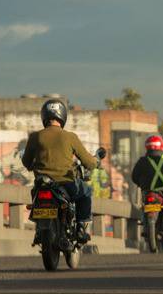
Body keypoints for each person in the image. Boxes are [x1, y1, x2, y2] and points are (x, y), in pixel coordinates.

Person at [22, 99, 100, 244]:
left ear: (44, 116)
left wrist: (35, 165)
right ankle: (81, 227)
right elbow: (88, 162)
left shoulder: (35, 137)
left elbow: (26, 162)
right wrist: (95, 162)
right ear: (62, 116)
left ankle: (40, 229)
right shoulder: (70, 137)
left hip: (41, 184)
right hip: (66, 184)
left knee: (35, 197)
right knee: (86, 191)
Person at [131, 135, 163, 227]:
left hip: (148, 192)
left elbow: (134, 177)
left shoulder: (142, 161)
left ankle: (144, 220)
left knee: (144, 205)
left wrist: (141, 185)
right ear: (161, 146)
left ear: (147, 147)